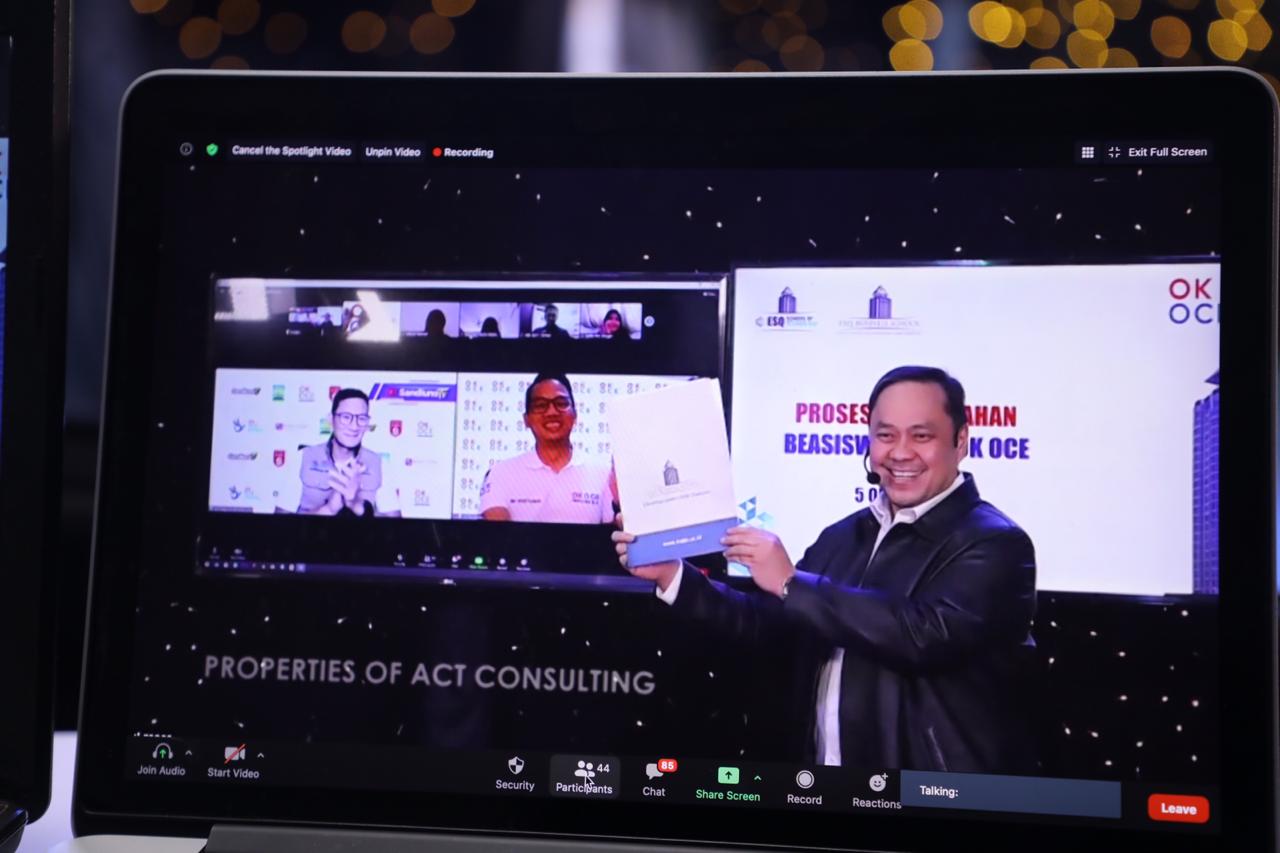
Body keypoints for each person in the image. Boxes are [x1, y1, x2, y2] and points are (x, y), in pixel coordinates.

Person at [612, 366, 1039, 773]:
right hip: (825, 787)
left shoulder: (996, 544)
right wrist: (672, 574)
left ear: (961, 441)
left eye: (921, 435)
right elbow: (770, 624)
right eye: (885, 435)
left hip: (933, 795)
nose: (900, 452)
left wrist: (791, 583)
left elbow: (920, 635)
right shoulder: (844, 536)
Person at [479, 373, 615, 523]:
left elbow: (612, 529)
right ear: (526, 420)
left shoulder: (603, 473)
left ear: (575, 415)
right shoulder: (501, 473)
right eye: (540, 405)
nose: (551, 412)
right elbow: (496, 533)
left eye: (561, 403)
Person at [297, 388, 400, 517]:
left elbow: (396, 526)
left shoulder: (379, 464)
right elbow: (280, 524)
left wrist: (355, 504)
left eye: (361, 418)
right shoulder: (302, 457)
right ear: (331, 419)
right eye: (346, 417)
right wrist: (329, 509)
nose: (354, 426)